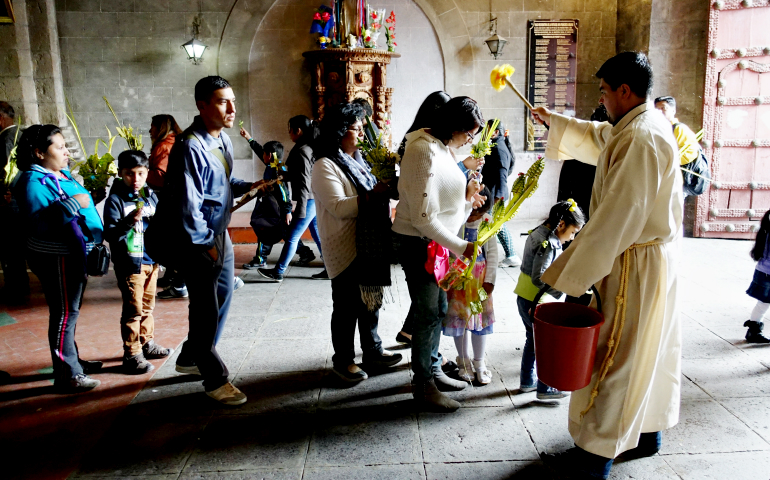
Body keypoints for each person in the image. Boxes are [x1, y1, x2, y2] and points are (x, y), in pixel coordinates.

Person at [531, 52, 683, 479]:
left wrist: (571, 274)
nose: (601, 99)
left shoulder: (642, 137)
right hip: (650, 258)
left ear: (624, 91)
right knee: (647, 349)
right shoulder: (641, 125)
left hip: (633, 261)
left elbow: (617, 216)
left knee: (616, 354)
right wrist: (556, 122)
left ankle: (594, 458)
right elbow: (601, 138)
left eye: (603, 91)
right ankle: (647, 433)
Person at [147, 76, 261, 406]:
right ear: (202, 105)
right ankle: (214, 378)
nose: (232, 109)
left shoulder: (221, 139)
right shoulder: (189, 146)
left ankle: (189, 357)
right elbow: (188, 203)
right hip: (196, 240)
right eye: (223, 102)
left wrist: (249, 184)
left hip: (217, 234)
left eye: (233, 101)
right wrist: (205, 244)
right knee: (206, 308)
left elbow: (221, 183)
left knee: (223, 296)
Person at [392, 96, 487, 412]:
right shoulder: (421, 150)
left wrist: (465, 200)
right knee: (426, 314)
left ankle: (432, 370)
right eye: (469, 133)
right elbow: (422, 217)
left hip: (438, 243)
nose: (470, 141)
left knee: (438, 309)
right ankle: (423, 385)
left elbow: (444, 207)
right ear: (454, 127)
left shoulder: (443, 148)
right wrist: (462, 247)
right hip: (420, 244)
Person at [311, 102, 402, 382]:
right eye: (356, 128)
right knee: (347, 306)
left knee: (370, 302)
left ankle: (373, 350)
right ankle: (343, 361)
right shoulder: (325, 165)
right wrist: (375, 194)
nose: (362, 133)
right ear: (339, 132)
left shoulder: (362, 160)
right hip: (345, 245)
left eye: (363, 128)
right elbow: (338, 207)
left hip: (370, 242)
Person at [14, 124, 104, 392]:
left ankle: (72, 362)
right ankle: (67, 373)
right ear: (39, 152)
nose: (67, 151)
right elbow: (41, 223)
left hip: (72, 254)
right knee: (65, 313)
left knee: (69, 312)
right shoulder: (32, 182)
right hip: (56, 256)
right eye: (60, 146)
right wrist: (77, 201)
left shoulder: (55, 174)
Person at [104, 150, 174, 375]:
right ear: (120, 173)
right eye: (129, 174)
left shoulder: (150, 195)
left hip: (151, 261)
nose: (135, 180)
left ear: (147, 173)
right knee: (133, 309)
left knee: (148, 306)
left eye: (140, 174)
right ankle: (132, 353)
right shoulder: (115, 200)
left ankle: (147, 342)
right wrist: (128, 222)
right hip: (130, 264)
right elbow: (111, 234)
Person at [515, 200, 585, 400]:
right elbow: (540, 276)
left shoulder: (538, 232)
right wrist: (561, 290)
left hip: (525, 296)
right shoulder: (548, 244)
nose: (571, 238)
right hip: (537, 301)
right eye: (572, 232)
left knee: (533, 340)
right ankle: (545, 388)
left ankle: (527, 382)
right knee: (545, 345)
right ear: (561, 224)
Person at [253, 116, 325, 280]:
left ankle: (278, 272)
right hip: (313, 198)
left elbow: (306, 179)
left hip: (308, 199)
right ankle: (329, 267)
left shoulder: (302, 150)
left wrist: (300, 206)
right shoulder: (307, 147)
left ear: (297, 130)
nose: (289, 133)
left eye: (290, 130)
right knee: (316, 234)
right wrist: (285, 176)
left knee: (292, 236)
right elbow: (299, 174)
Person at [442, 186, 498, 385]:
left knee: (479, 322)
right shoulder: (455, 221)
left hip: (480, 286)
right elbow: (447, 249)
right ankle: (463, 361)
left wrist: (490, 281)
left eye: (479, 212)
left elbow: (492, 254)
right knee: (460, 321)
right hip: (458, 284)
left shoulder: (488, 223)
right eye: (471, 210)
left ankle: (479, 362)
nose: (474, 215)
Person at [147, 114, 189, 298]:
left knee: (171, 240)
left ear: (160, 127)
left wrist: (140, 174)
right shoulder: (175, 142)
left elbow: (161, 177)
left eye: (152, 126)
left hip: (170, 200)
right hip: (178, 199)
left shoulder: (165, 146)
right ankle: (173, 277)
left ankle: (180, 283)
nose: (150, 130)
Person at [239, 139, 292, 270]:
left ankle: (260, 259)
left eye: (264, 154)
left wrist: (287, 210)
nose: (262, 156)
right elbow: (260, 151)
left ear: (269, 155)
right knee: (284, 232)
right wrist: (249, 139)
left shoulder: (276, 169)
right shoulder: (275, 164)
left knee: (265, 230)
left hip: (274, 208)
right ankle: (305, 252)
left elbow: (283, 191)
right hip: (273, 207)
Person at [557, 105, 608, 224]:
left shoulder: (577, 147)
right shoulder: (605, 154)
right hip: (588, 213)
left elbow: (563, 188)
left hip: (574, 213)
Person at [0, 101, 30, 302]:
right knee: (17, 248)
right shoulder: (23, 135)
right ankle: (20, 286)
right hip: (22, 200)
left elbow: (4, 173)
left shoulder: (5, 140)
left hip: (8, 202)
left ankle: (16, 288)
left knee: (10, 248)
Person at [481, 118, 521, 268]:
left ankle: (512, 255)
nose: (484, 132)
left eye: (487, 130)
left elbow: (502, 176)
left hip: (495, 194)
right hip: (492, 192)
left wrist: (498, 197)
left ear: (495, 132)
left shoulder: (499, 148)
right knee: (493, 224)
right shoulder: (496, 145)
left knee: (497, 224)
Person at [743, 208, 770, 344]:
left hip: (763, 272)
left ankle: (753, 330)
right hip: (768, 274)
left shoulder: (765, 231)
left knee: (762, 304)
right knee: (763, 304)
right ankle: (754, 331)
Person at [654, 96, 700, 168]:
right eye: (657, 109)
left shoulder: (679, 128)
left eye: (663, 108)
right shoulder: (659, 128)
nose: (660, 111)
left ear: (673, 110)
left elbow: (690, 154)